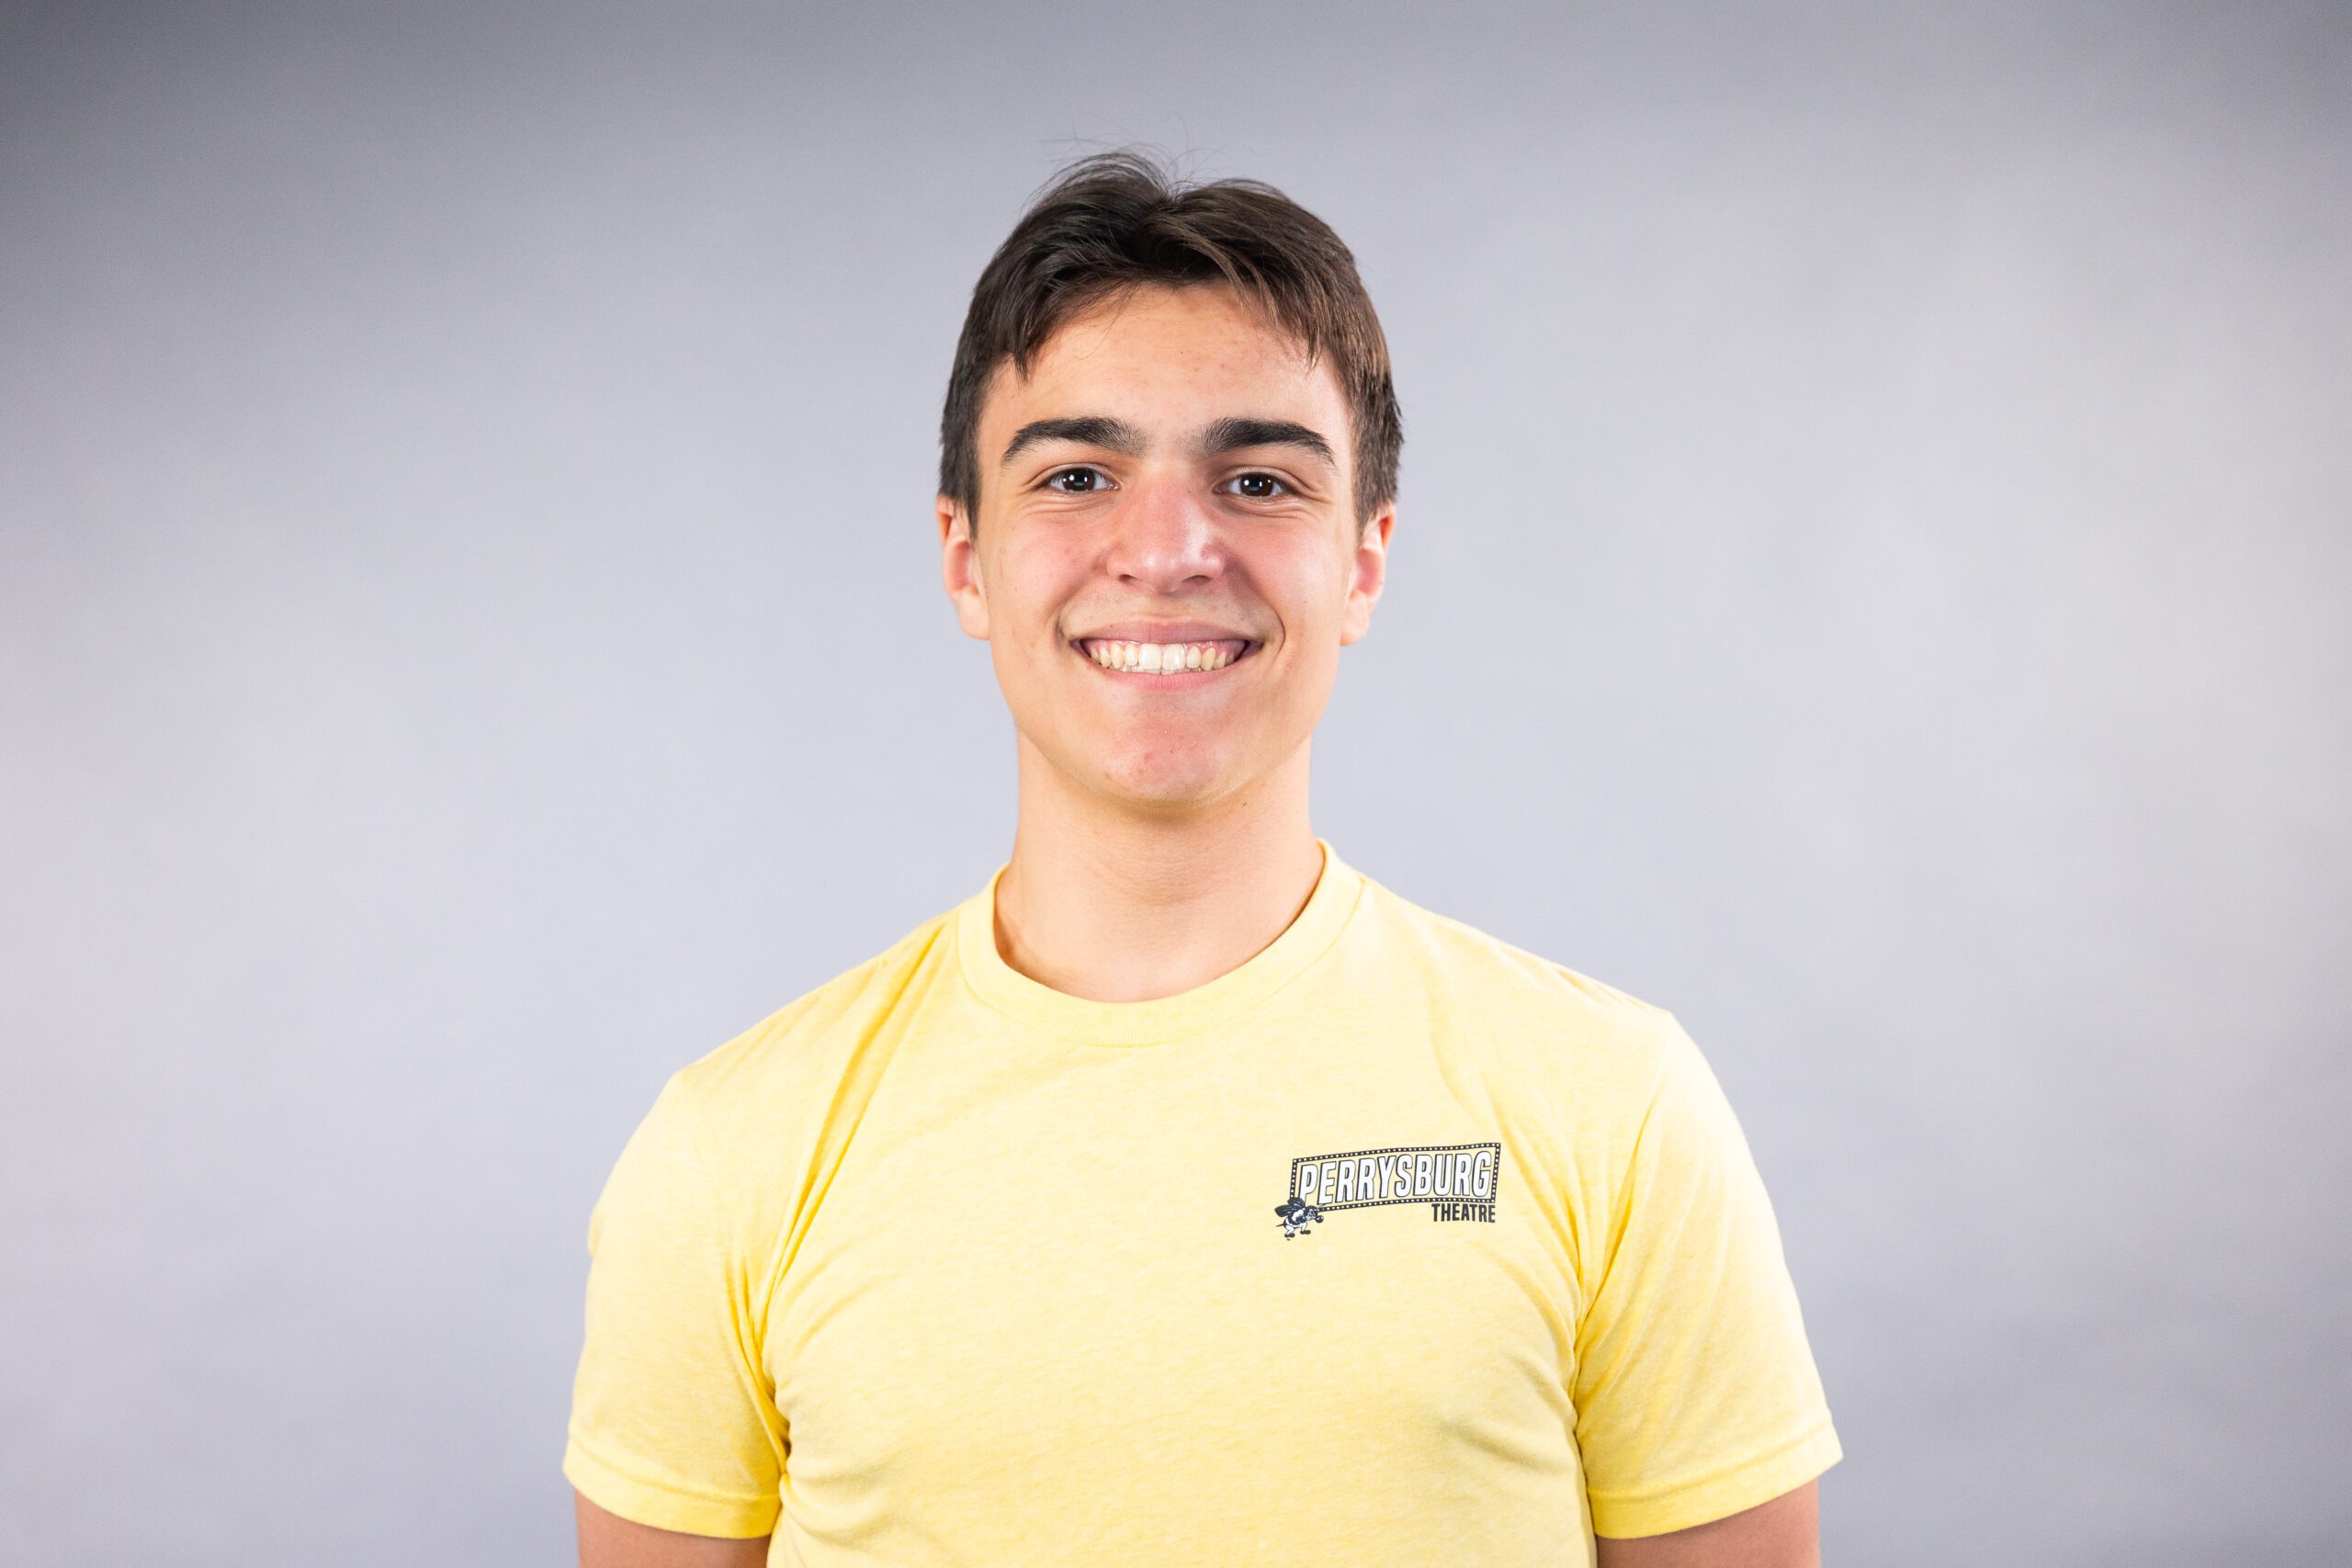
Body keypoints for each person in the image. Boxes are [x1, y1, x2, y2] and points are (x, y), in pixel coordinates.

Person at [563, 149, 1841, 1568]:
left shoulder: (1615, 1106)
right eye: (1077, 474)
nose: (1167, 548)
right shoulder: (730, 1154)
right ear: (966, 559)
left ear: (1362, 563)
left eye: (1257, 479)